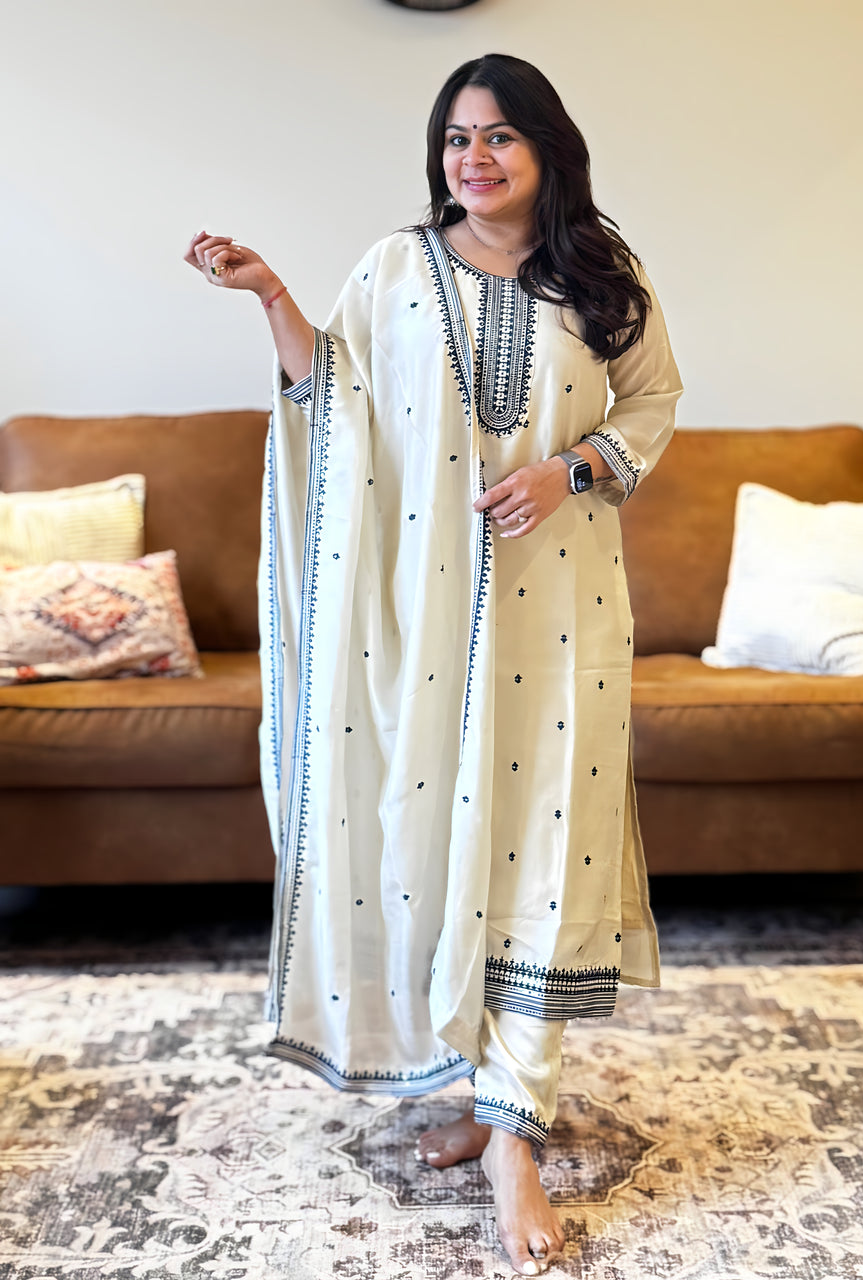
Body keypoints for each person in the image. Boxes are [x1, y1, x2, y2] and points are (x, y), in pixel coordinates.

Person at [184, 52, 682, 1277]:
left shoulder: (601, 278)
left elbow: (650, 405)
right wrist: (271, 294)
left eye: (501, 135)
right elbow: (331, 397)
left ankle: (513, 1133)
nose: (476, 156)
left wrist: (569, 470)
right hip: (420, 620)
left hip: (560, 615)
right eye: (459, 137)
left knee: (542, 853)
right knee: (437, 847)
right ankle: (479, 1082)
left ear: (547, 148)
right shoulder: (395, 268)